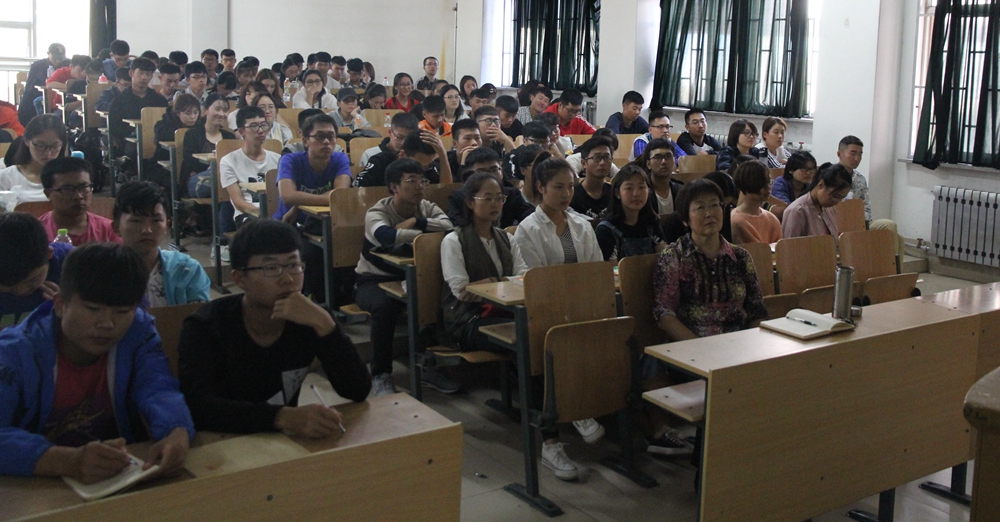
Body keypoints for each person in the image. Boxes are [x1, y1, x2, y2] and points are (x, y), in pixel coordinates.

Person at [0, 242, 194, 482]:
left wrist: (177, 430)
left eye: (122, 312)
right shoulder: (14, 352)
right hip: (37, 484)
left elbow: (157, 386)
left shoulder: (138, 332)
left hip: (117, 477)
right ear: (60, 304)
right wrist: (67, 460)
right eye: (92, 309)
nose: (107, 324)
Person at [177, 220, 370, 435]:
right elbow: (198, 407)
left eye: (293, 265)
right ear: (240, 278)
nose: (288, 279)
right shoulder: (205, 326)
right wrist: (281, 417)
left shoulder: (309, 318)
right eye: (271, 268)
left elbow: (357, 390)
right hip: (221, 446)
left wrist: (326, 326)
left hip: (285, 445)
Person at [512, 153, 605, 479]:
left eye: (570, 186)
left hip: (579, 308)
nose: (566, 194)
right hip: (543, 311)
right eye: (557, 187)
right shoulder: (528, 229)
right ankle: (551, 441)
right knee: (549, 347)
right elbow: (533, 280)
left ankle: (581, 405)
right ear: (540, 187)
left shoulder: (581, 224)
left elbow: (595, 270)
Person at [354, 159, 457, 397]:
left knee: (436, 298)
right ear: (394, 187)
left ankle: (428, 366)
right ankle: (381, 374)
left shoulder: (427, 207)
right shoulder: (377, 211)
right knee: (385, 306)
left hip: (415, 277)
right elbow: (385, 235)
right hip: (373, 280)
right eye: (411, 181)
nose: (419, 186)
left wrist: (417, 222)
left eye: (422, 181)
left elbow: (450, 228)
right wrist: (424, 235)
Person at [440, 172, 528, 354]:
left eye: (499, 198)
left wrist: (491, 284)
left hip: (506, 311)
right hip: (467, 319)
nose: (495, 204)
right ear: (470, 203)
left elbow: (522, 276)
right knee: (525, 338)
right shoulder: (454, 240)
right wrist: (504, 282)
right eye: (487, 198)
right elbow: (462, 291)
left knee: (541, 330)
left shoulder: (507, 238)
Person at [112, 181, 210, 308]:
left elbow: (199, 322)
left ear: (167, 226)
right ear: (116, 227)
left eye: (156, 221)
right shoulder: (104, 273)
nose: (147, 230)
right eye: (136, 221)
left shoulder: (187, 271)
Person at [836, 135, 905, 256]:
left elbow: (866, 206)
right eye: (853, 153)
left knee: (891, 229)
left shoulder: (860, 178)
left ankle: (893, 271)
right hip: (838, 225)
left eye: (860, 154)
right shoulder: (830, 176)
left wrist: (863, 224)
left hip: (861, 224)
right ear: (839, 154)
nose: (857, 158)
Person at [0, 213, 72, 322]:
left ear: (48, 254)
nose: (20, 291)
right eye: (8, 288)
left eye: (31, 281)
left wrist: (71, 309)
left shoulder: (75, 265)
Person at [221, 106, 282, 229]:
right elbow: (238, 202)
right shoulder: (229, 161)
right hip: (247, 214)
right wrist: (264, 213)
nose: (260, 131)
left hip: (276, 212)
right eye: (253, 126)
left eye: (263, 125)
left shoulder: (278, 159)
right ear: (242, 131)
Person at [38, 157, 120, 245]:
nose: (78, 196)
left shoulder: (109, 230)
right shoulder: (37, 233)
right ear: (48, 193)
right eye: (67, 189)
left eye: (84, 187)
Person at [446, 147, 534, 228]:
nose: (490, 176)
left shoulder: (511, 194)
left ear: (502, 171)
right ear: (470, 175)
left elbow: (531, 218)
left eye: (494, 170)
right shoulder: (458, 198)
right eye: (481, 172)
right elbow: (458, 227)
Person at [595, 165, 667, 260]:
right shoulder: (606, 230)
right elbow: (608, 269)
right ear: (617, 193)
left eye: (641, 187)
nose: (636, 193)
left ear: (648, 191)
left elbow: (664, 257)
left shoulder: (652, 222)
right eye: (629, 188)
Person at [0, 115, 66, 204]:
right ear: (27, 141)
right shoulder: (6, 177)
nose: (48, 153)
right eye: (40, 145)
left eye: (55, 146)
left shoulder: (68, 177)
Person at [181, 94, 236, 201]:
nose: (221, 114)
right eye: (217, 109)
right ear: (205, 110)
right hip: (198, 179)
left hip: (225, 178)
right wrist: (214, 165)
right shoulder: (192, 134)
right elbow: (190, 162)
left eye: (225, 110)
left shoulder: (229, 136)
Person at [108, 58, 168, 154]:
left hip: (155, 139)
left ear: (152, 76)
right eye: (140, 73)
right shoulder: (119, 100)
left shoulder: (159, 100)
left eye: (148, 74)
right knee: (134, 150)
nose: (144, 77)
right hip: (129, 141)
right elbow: (114, 126)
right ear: (131, 73)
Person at [781, 162, 853, 240]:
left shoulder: (829, 208)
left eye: (841, 198)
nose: (837, 202)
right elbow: (789, 249)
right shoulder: (797, 211)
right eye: (835, 196)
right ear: (821, 185)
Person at [354, 130, 452, 188]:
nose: (422, 170)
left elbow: (445, 192)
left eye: (427, 165)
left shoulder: (429, 167)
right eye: (418, 165)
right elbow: (358, 187)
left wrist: (443, 154)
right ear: (403, 155)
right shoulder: (380, 162)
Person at [731, 160, 782, 244]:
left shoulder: (771, 218)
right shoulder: (736, 221)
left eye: (769, 182)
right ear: (748, 185)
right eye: (761, 183)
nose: (768, 187)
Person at [18, 43, 69, 126]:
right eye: (54, 58)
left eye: (60, 59)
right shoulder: (38, 66)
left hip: (60, 98)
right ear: (48, 54)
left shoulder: (68, 64)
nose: (57, 61)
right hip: (39, 95)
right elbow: (29, 88)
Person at [569, 137, 614, 219]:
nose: (602, 163)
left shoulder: (615, 193)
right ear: (583, 163)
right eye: (597, 158)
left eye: (607, 157)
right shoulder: (572, 196)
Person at [638, 138, 684, 214]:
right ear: (648, 164)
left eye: (668, 156)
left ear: (674, 160)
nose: (664, 162)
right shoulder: (641, 192)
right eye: (657, 157)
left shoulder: (681, 190)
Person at [770, 151, 816, 220]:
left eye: (811, 169)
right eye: (804, 168)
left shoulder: (809, 186)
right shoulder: (780, 183)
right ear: (791, 170)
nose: (808, 172)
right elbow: (784, 207)